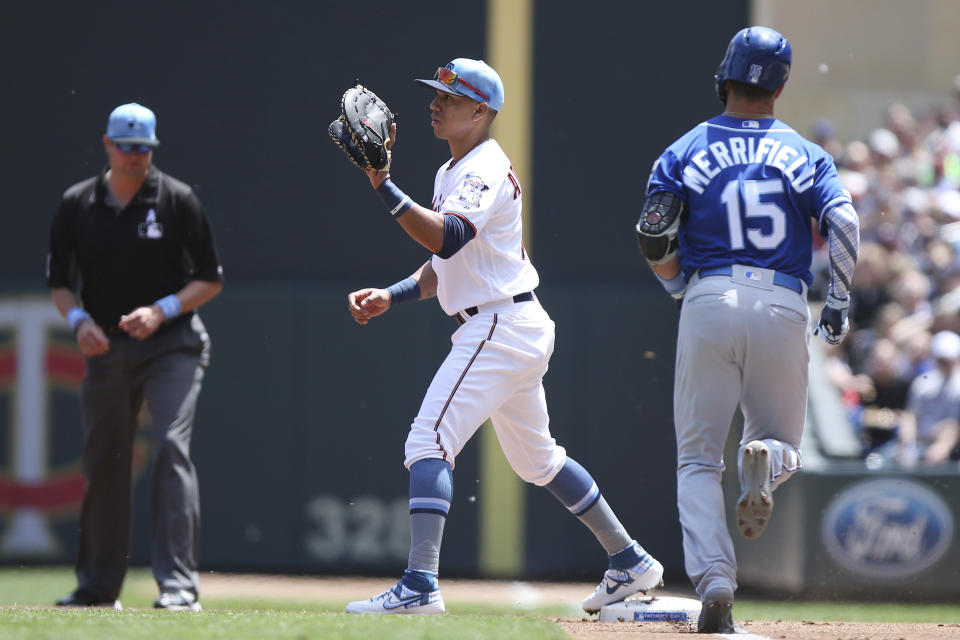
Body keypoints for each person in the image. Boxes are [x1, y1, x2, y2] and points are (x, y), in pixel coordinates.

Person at [343, 58, 662, 615]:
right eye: (435, 94)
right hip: (509, 321)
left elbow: (447, 239)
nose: (435, 103)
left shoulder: (483, 168)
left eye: (450, 95)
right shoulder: (454, 170)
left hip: (497, 325)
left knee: (427, 442)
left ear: (481, 110)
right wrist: (391, 296)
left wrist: (383, 184)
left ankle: (419, 586)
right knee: (539, 461)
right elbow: (446, 264)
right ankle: (629, 560)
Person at [635, 28, 860, 633]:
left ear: (724, 77)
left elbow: (652, 234)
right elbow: (843, 221)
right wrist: (836, 298)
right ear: (781, 85)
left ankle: (714, 584)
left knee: (696, 461)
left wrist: (679, 285)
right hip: (783, 301)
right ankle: (766, 458)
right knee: (784, 447)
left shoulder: (682, 149)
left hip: (708, 297)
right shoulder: (807, 153)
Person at [47, 103, 223, 611]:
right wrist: (78, 323)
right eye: (126, 147)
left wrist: (160, 310)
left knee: (170, 447)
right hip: (106, 346)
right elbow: (60, 283)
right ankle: (98, 586)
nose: (134, 158)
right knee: (105, 461)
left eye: (143, 149)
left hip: (173, 345)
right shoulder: (77, 204)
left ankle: (178, 586)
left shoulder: (177, 200)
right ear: (107, 144)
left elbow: (209, 279)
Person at [890, 330, 960, 466]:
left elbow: (953, 426)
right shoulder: (922, 384)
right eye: (941, 360)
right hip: (920, 445)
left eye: (948, 360)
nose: (945, 364)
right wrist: (907, 446)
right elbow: (910, 416)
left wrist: (943, 446)